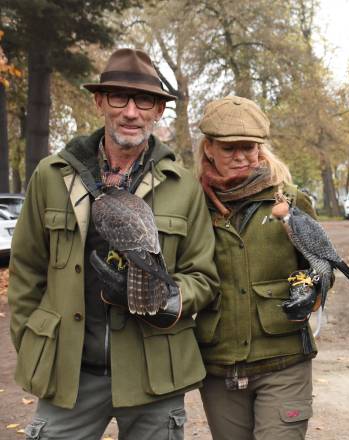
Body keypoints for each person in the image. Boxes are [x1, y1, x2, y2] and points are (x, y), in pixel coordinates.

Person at [8, 48, 219, 439]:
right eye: (119, 97)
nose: (131, 112)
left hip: (154, 375)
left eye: (145, 101)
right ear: (100, 101)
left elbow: (203, 278)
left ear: (159, 111)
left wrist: (157, 297)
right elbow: (26, 272)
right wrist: (35, 342)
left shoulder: (183, 186)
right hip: (70, 375)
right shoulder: (52, 175)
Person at [193, 96, 319, 439]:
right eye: (229, 148)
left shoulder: (290, 200)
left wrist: (310, 287)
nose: (240, 157)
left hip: (284, 360)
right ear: (209, 148)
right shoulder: (192, 205)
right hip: (219, 365)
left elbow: (319, 265)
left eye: (248, 147)